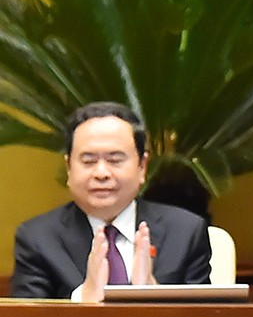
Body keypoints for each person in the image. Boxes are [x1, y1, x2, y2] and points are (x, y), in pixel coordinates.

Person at [11, 101, 212, 300]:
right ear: (69, 168)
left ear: (142, 167)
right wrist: (82, 299)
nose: (101, 173)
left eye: (115, 160)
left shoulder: (185, 232)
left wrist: (155, 295)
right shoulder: (38, 239)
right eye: (88, 161)